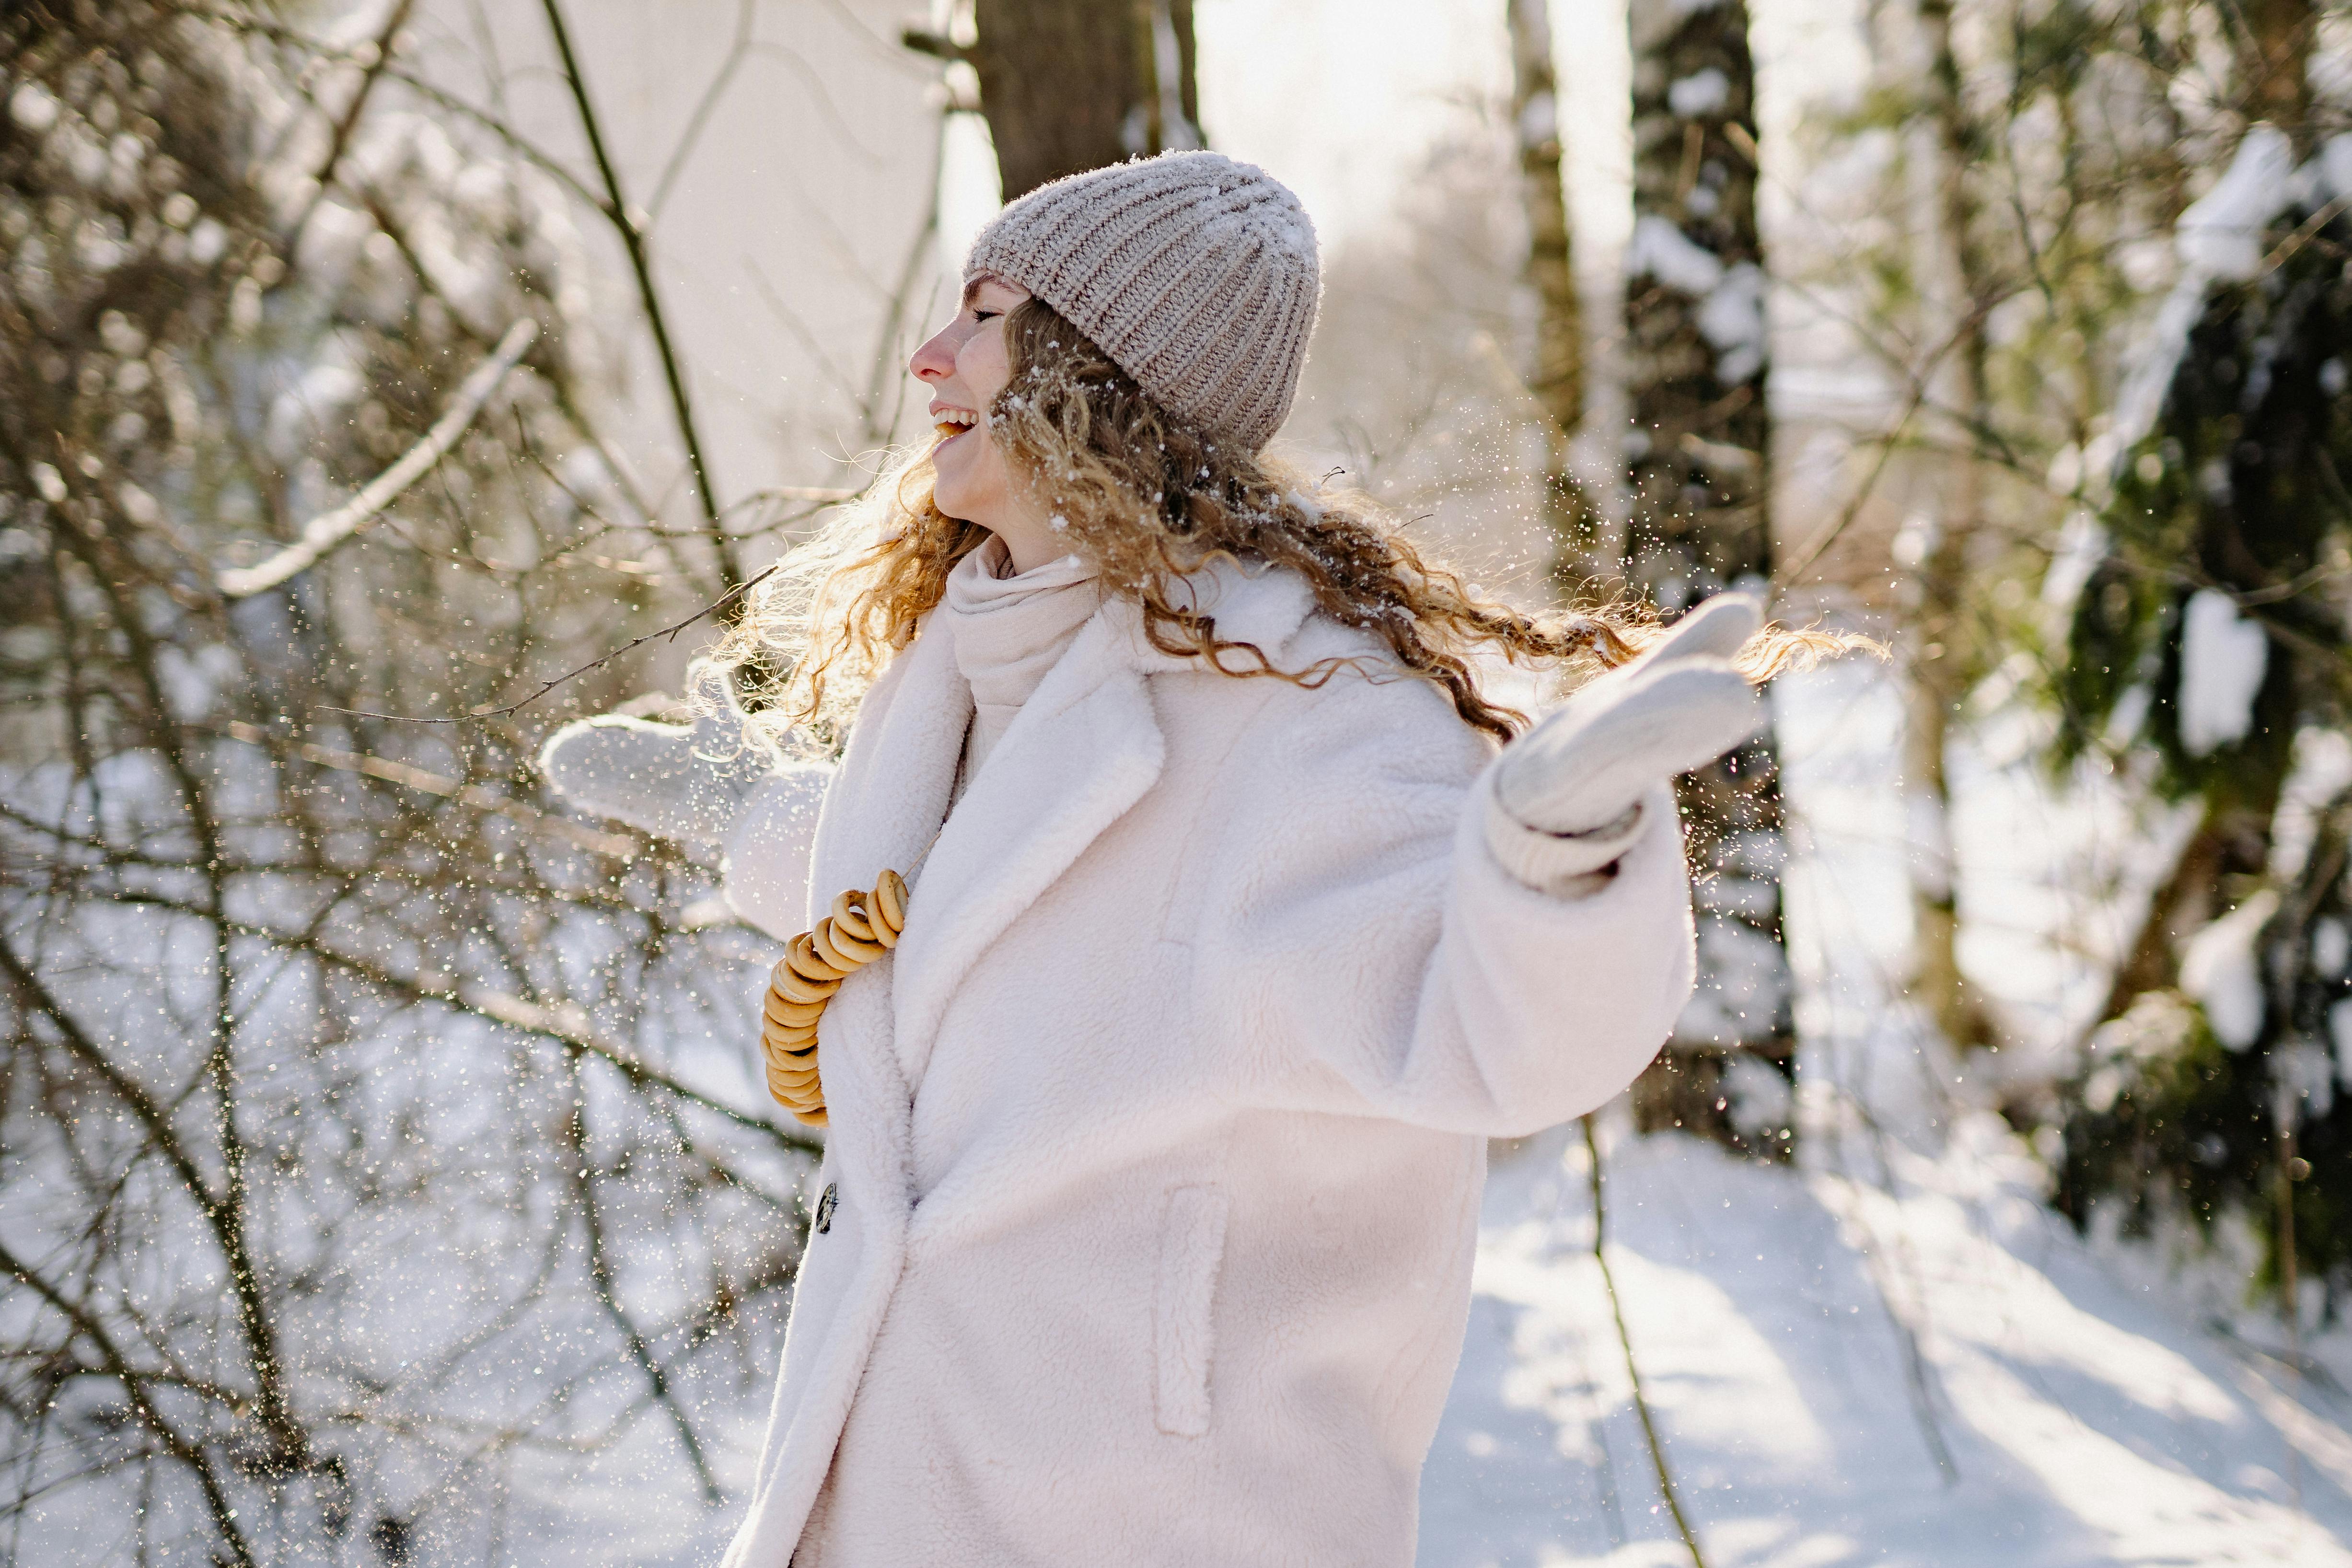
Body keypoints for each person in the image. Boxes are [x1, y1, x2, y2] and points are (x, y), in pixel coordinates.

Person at [541, 151, 1835, 1568]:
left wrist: (1559, 861)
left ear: (1092, 369)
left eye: (983, 314)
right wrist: (757, 811)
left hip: (1158, 1519)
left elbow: (1494, 1033)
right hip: (916, 1483)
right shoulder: (982, 658)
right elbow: (987, 915)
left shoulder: (1307, 710)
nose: (930, 356)